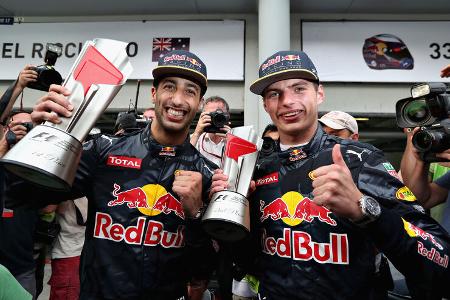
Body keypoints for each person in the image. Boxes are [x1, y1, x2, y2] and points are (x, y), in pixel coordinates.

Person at [210, 50, 450, 299]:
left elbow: (440, 259)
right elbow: (249, 263)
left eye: (299, 88)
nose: (287, 101)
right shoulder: (255, 166)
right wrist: (234, 214)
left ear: (319, 94)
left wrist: (365, 210)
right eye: (274, 94)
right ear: (266, 105)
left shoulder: (359, 158)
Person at [8, 50, 217, 300]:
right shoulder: (103, 151)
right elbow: (19, 196)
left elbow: (203, 272)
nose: (178, 100)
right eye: (169, 87)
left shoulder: (207, 174)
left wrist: (194, 215)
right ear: (154, 93)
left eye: (190, 91)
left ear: (200, 103)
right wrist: (43, 139)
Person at [48, 197, 87, 300]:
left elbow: (48, 208)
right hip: (79, 251)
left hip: (69, 251)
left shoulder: (72, 185)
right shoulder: (97, 187)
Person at [190, 96, 231, 167]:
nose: (215, 118)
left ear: (227, 116)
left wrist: (233, 142)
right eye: (211, 115)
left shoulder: (238, 140)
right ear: (202, 116)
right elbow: (182, 162)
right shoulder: (193, 139)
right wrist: (196, 133)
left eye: (219, 115)